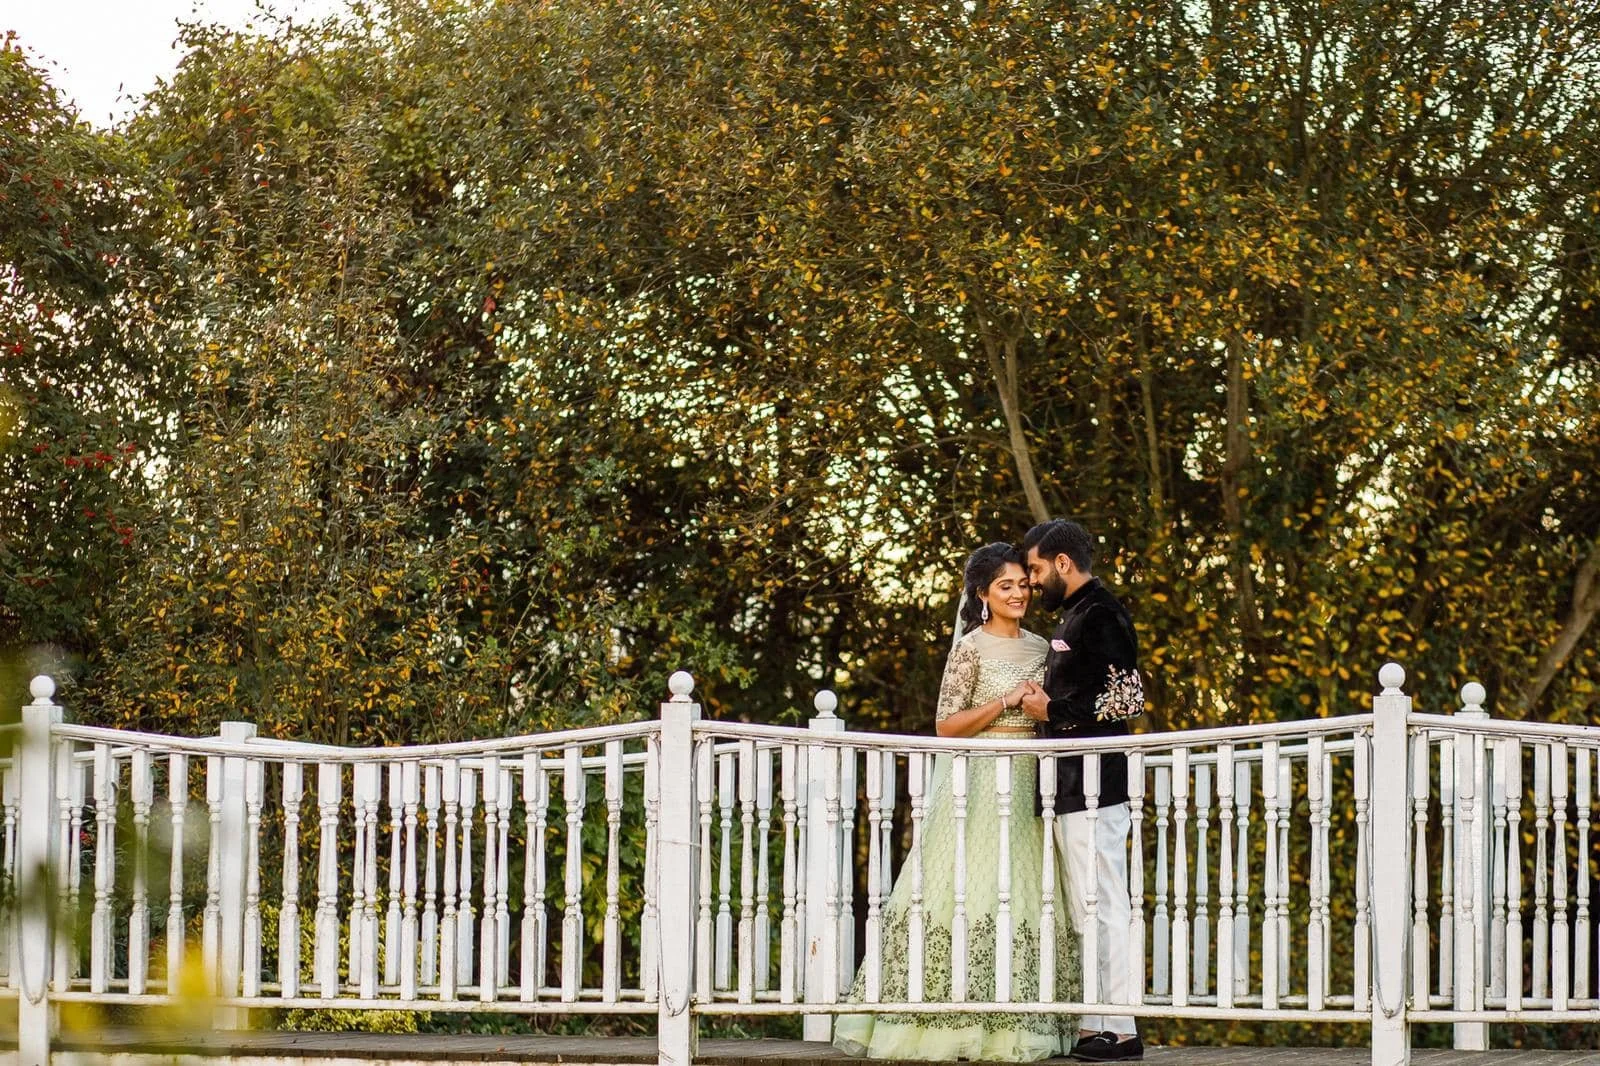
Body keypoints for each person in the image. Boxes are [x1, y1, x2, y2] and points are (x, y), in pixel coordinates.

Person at [833, 543, 1080, 1061]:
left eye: (1022, 584)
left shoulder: (1042, 647)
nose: (1018, 594)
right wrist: (1006, 701)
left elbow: (1055, 712)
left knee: (1025, 889)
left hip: (1032, 781)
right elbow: (946, 726)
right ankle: (949, 1018)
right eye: (1005, 586)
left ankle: (1017, 1019)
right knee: (968, 886)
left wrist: (1044, 710)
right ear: (983, 595)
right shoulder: (970, 648)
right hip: (979, 781)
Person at [1019, 519, 1146, 1063]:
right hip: (1072, 783)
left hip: (1099, 783)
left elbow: (1127, 700)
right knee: (1085, 905)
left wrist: (1052, 710)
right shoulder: (1074, 615)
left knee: (1107, 900)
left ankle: (1122, 1029)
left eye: (1036, 569)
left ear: (1062, 563)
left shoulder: (1103, 613)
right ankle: (1097, 1023)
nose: (1032, 580)